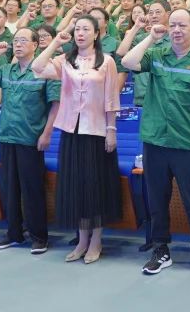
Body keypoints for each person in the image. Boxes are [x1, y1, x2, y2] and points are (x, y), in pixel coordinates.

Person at [122, 8, 190, 277]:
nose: (176, 30)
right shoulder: (157, 54)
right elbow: (128, 61)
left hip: (188, 141)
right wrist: (151, 37)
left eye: (182, 25)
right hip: (155, 140)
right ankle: (160, 250)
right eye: (173, 25)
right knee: (157, 200)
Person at [32, 16, 122, 264]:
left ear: (96, 34)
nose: (80, 33)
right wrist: (55, 43)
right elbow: (37, 67)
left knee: (96, 187)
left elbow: (111, 97)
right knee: (77, 187)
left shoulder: (106, 61)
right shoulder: (65, 60)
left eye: (86, 29)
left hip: (97, 131)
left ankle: (96, 240)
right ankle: (82, 240)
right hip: (71, 130)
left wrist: (111, 129)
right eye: (77, 29)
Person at [0, 29, 60, 253]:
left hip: (31, 138)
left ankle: (39, 236)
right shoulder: (6, 70)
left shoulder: (45, 70)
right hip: (7, 135)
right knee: (10, 189)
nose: (18, 44)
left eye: (24, 40)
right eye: (16, 41)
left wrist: (47, 133)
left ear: (35, 45)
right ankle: (14, 233)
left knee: (32, 189)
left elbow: (56, 104)